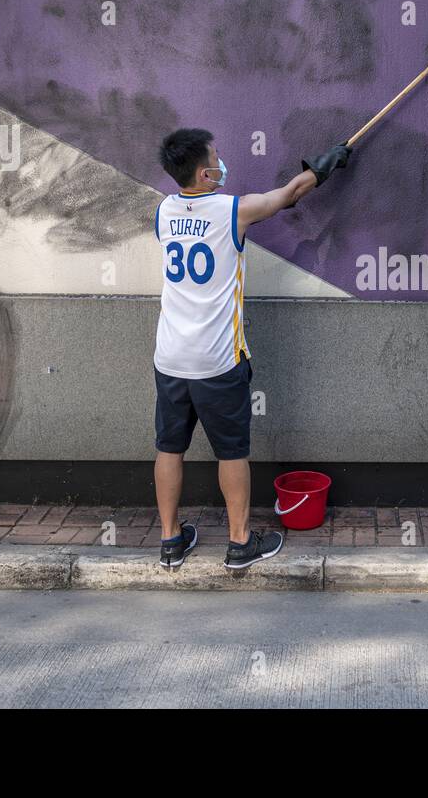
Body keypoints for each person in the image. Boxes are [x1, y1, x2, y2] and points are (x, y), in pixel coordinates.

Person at [152, 128, 349, 569]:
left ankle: (170, 541)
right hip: (218, 360)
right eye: (216, 159)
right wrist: (330, 161)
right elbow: (289, 194)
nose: (223, 164)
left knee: (169, 448)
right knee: (232, 452)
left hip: (169, 357)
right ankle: (240, 543)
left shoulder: (164, 212)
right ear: (205, 173)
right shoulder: (232, 212)